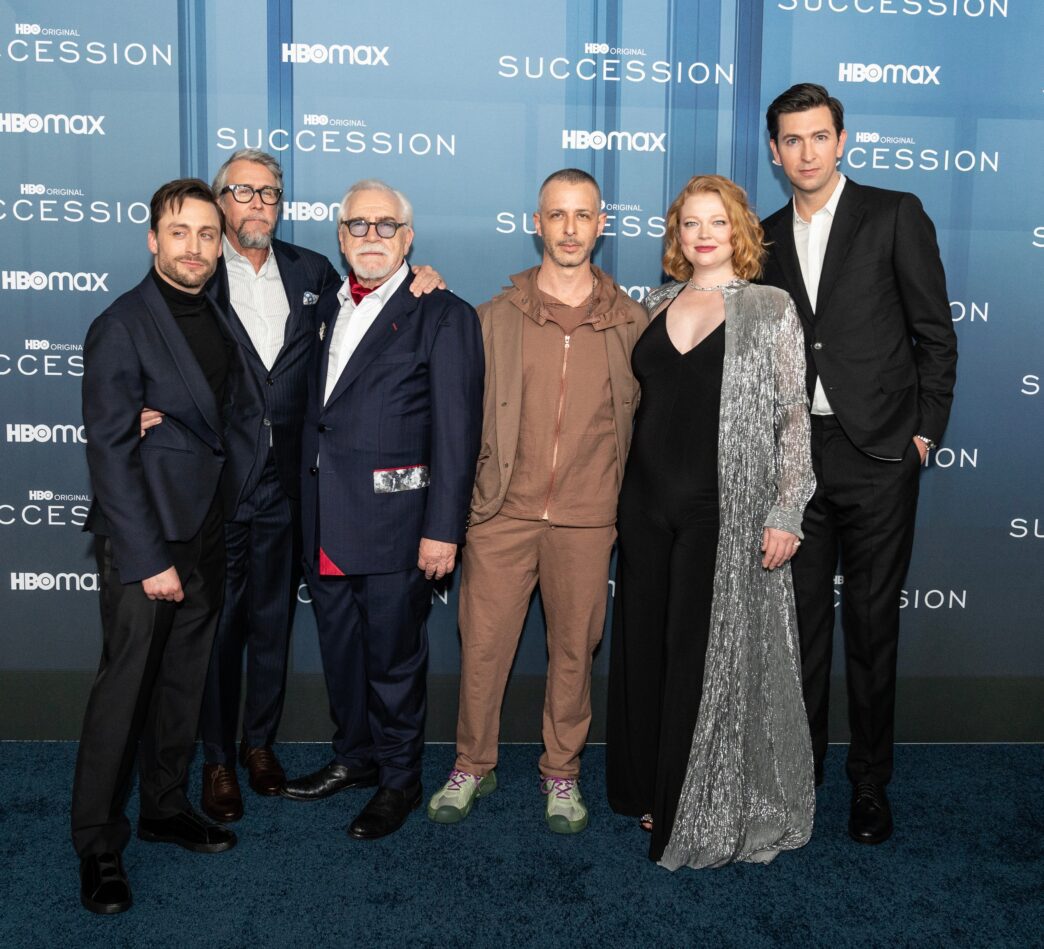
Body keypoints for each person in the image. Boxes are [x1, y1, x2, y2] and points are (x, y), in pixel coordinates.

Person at [141, 149, 444, 824]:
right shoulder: (192, 274)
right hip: (215, 488)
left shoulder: (315, 273)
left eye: (270, 194)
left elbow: (382, 297)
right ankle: (217, 756)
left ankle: (258, 745)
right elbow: (143, 335)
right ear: (219, 202)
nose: (257, 204)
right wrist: (135, 399)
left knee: (273, 623)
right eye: (242, 191)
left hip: (294, 491)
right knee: (216, 630)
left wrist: (422, 277)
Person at [761, 83, 958, 844]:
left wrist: (923, 436)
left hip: (878, 453)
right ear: (775, 151)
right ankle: (799, 778)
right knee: (800, 630)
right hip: (796, 462)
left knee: (872, 629)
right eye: (792, 140)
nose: (806, 152)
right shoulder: (764, 234)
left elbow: (935, 334)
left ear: (843, 140)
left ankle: (869, 784)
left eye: (819, 136)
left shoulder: (894, 213)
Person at [426, 169, 647, 834]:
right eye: (559, 215)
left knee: (576, 653)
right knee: (484, 648)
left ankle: (562, 773)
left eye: (584, 215)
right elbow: (452, 415)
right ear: (538, 223)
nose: (571, 229)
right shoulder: (492, 318)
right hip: (502, 515)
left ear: (601, 224)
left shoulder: (634, 323)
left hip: (586, 519)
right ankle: (473, 763)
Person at [606, 174, 816, 869]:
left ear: (739, 232)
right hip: (643, 505)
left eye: (716, 222)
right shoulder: (654, 301)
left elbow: (792, 413)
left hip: (720, 509)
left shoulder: (769, 307)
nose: (703, 234)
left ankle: (689, 802)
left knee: (699, 656)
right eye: (690, 222)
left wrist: (787, 508)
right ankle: (646, 784)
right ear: (677, 234)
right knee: (646, 647)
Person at [73, 179, 256, 914]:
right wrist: (149, 558)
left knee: (183, 680)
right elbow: (111, 454)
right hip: (145, 537)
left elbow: (224, 413)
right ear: (153, 240)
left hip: (206, 525)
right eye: (179, 233)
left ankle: (163, 803)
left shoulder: (217, 309)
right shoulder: (121, 324)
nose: (195, 248)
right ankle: (96, 842)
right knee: (124, 692)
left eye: (209, 235)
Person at [280, 179, 483, 841]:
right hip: (326, 521)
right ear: (340, 237)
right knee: (342, 656)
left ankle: (399, 779)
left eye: (385, 226)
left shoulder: (442, 312)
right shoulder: (322, 307)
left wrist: (442, 530)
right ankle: (356, 758)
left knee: (395, 662)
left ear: (408, 237)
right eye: (358, 226)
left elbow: (457, 434)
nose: (371, 237)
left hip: (398, 527)